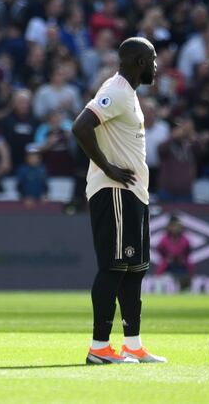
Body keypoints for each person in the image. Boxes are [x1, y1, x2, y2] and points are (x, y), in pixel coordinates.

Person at [72, 37, 166, 364]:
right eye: (153, 59)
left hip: (134, 193)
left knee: (134, 270)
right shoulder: (117, 91)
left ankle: (133, 345)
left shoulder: (131, 95)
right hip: (114, 192)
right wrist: (108, 168)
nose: (157, 66)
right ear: (140, 62)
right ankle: (99, 347)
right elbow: (81, 126)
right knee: (113, 267)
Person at [155, 214, 193, 291]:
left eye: (177, 226)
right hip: (167, 267)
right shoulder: (164, 240)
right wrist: (167, 259)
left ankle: (185, 289)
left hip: (181, 267)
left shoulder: (185, 240)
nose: (175, 228)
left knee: (185, 283)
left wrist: (182, 259)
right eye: (173, 226)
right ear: (169, 227)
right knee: (161, 282)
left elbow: (188, 252)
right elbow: (160, 251)